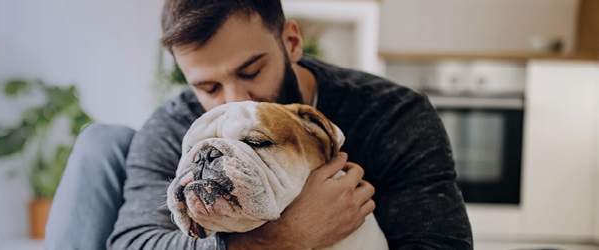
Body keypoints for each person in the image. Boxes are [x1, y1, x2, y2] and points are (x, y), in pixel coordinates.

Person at [43, 0, 473, 249]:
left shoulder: (394, 116)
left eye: (250, 71)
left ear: (291, 41)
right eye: (208, 86)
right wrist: (279, 239)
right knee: (102, 140)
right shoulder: (175, 126)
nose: (233, 99)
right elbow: (134, 242)